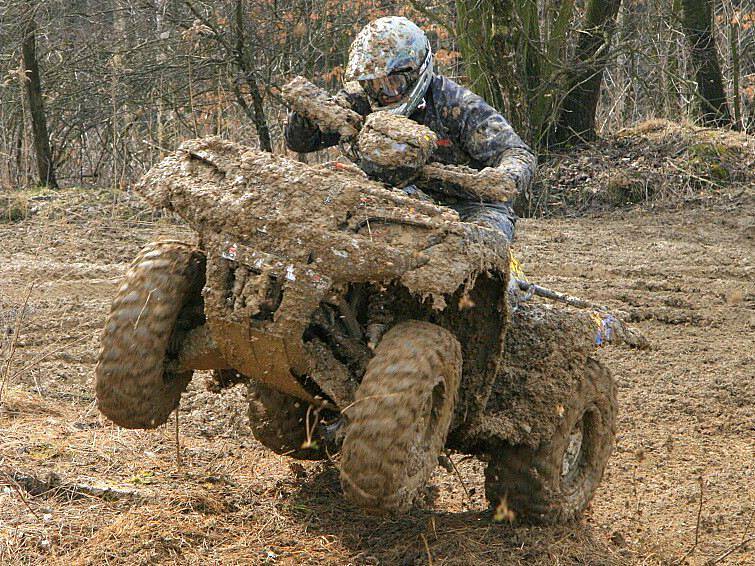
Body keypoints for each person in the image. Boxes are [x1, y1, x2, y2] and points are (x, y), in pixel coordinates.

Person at [285, 16, 535, 243]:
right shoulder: (360, 100)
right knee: (324, 214)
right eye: (374, 84)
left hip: (466, 205)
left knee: (480, 242)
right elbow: (302, 142)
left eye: (393, 83)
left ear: (417, 73)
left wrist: (505, 177)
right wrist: (307, 109)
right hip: (390, 196)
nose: (384, 94)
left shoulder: (457, 105)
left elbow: (516, 152)